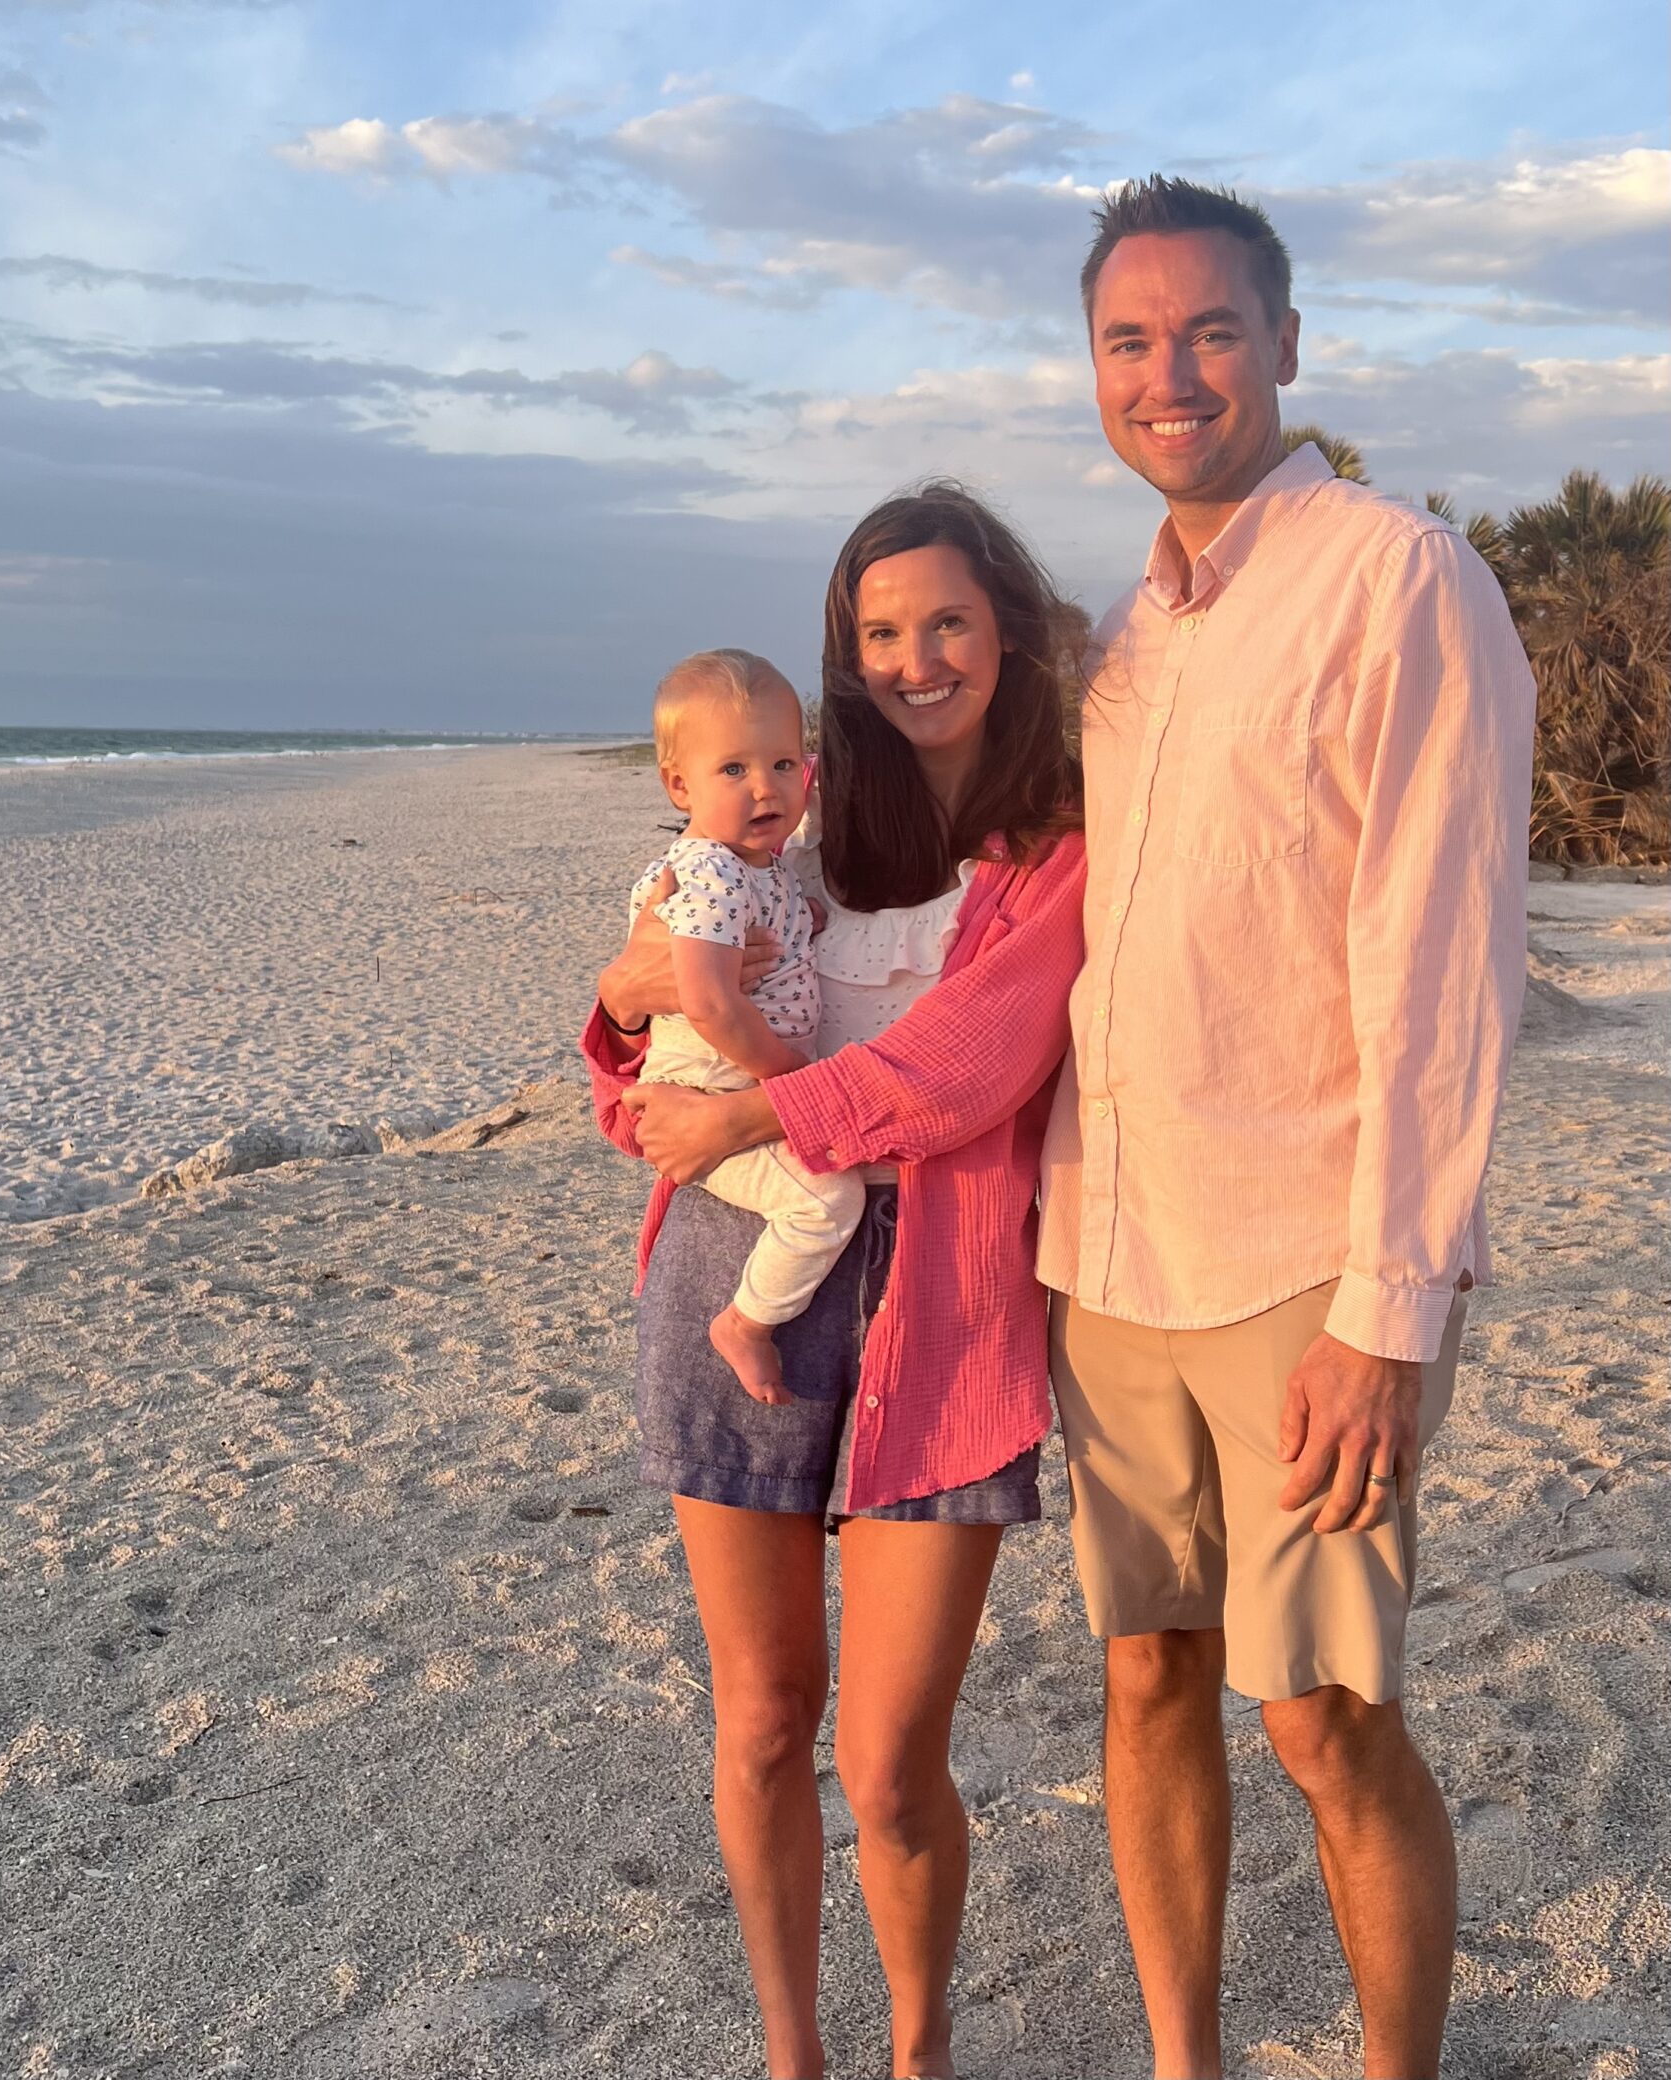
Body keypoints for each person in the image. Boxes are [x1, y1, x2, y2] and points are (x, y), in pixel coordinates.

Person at [1038, 176, 1535, 2080]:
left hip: (1300, 1258)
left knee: (1323, 1713)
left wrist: (1386, 1308)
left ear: (1287, 346)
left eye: (1209, 330)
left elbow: (1438, 960)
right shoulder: (1119, 635)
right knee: (1144, 1670)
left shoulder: (1392, 575)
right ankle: (1188, 2062)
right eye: (1128, 341)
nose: (1169, 375)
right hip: (1105, 1245)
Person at [582, 482, 1088, 2080]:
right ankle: (797, 2056)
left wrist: (750, 1108)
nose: (919, 656)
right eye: (881, 631)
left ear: (1006, 627)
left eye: (949, 620)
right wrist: (619, 1027)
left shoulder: (1058, 848)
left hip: (942, 1307)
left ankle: (918, 2051)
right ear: (845, 656)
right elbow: (647, 1050)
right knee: (761, 1714)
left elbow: (969, 1069)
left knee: (885, 1759)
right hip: (738, 1270)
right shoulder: (788, 835)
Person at [630, 645, 864, 1407]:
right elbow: (708, 1003)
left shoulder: (757, 867)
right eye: (732, 770)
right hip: (708, 1086)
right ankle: (745, 1323)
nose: (764, 787)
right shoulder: (709, 873)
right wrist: (789, 1079)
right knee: (826, 1202)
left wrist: (807, 919)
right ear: (678, 784)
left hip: (731, 1079)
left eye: (783, 765)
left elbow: (774, 932)